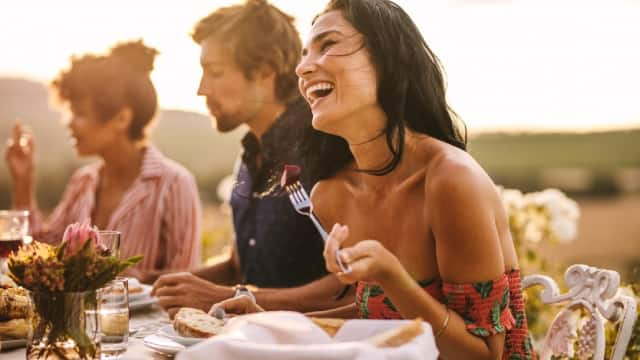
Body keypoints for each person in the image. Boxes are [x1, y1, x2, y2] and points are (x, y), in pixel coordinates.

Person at [213, 0, 536, 359]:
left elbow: (484, 354)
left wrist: (390, 274)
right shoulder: (332, 195)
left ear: (387, 59)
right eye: (304, 54)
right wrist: (271, 321)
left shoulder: (450, 181)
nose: (303, 68)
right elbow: (379, 317)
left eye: (328, 44)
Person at [151, 0, 353, 318]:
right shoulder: (249, 156)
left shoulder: (326, 146)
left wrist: (232, 296)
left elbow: (350, 284)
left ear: (264, 71)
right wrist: (155, 285)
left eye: (214, 72)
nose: (202, 89)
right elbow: (238, 265)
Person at [4, 40, 202, 283]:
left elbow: (186, 282)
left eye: (80, 113)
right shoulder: (83, 181)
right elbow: (40, 258)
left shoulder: (174, 184)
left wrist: (135, 277)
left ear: (122, 118)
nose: (69, 122)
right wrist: (24, 181)